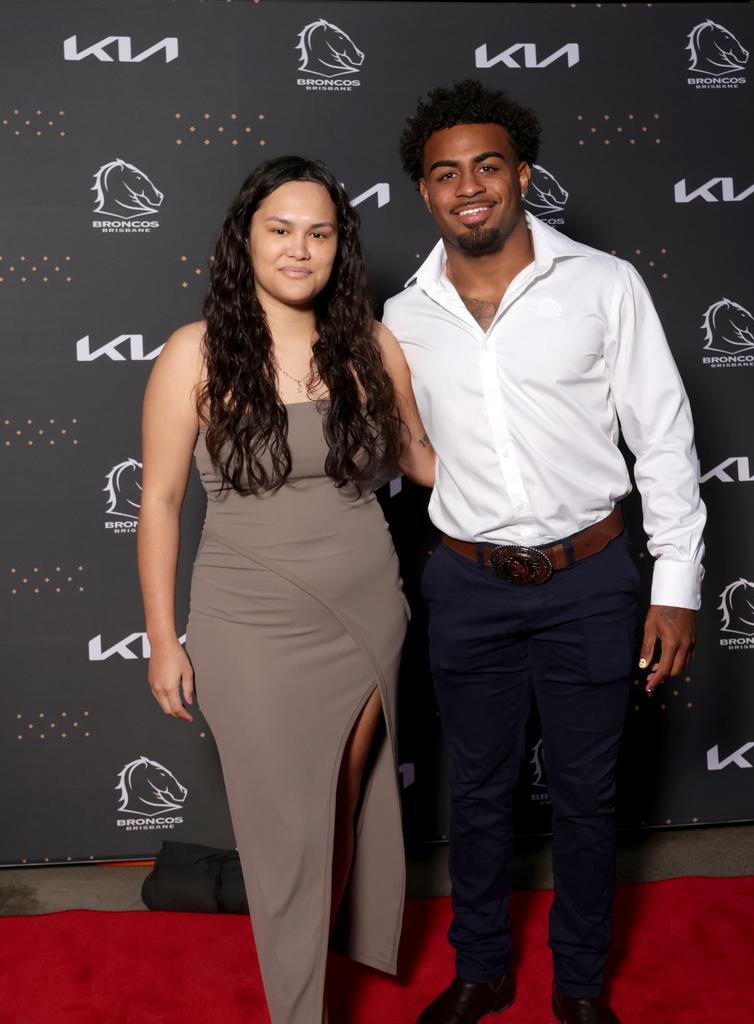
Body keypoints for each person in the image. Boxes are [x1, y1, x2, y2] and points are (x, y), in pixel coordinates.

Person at [383, 80, 706, 1024]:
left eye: (488, 165)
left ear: (522, 174)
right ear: (426, 193)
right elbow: (407, 445)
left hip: (592, 582)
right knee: (476, 793)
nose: (469, 186)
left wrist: (677, 586)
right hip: (469, 584)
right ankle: (480, 969)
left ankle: (578, 986)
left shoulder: (605, 284)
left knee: (586, 795)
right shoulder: (404, 318)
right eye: (446, 174)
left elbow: (666, 439)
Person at [137, 155, 434, 1024]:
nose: (299, 248)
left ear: (341, 247)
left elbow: (421, 462)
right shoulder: (194, 353)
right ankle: (300, 1009)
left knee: (334, 812)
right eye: (280, 229)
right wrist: (163, 639)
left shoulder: (371, 344)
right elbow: (157, 503)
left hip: (364, 607)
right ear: (246, 239)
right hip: (247, 617)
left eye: (320, 232)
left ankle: (312, 983)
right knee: (288, 830)